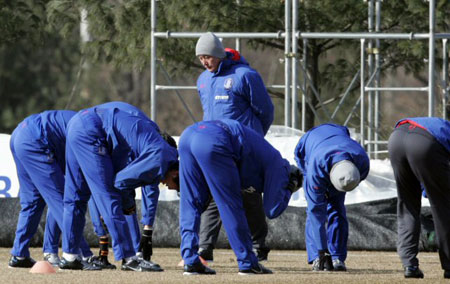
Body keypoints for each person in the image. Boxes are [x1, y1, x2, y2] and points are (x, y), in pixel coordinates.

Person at [60, 102, 179, 272]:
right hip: (92, 130)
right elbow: (119, 183)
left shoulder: (155, 142)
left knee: (75, 196)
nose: (167, 186)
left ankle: (70, 257)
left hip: (77, 123)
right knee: (109, 196)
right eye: (173, 186)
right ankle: (129, 258)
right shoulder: (162, 157)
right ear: (175, 174)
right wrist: (128, 204)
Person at [177, 119, 302, 275]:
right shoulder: (281, 168)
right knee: (230, 205)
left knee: (190, 203)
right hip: (215, 139)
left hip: (188, 134)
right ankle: (247, 262)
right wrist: (290, 188)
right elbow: (272, 209)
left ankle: (190, 260)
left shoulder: (269, 161)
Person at [195, 32, 274, 262]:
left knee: (249, 194)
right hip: (216, 149)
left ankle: (258, 244)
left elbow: (266, 111)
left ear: (218, 54)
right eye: (201, 58)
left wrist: (254, 138)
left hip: (244, 148)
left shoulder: (245, 76)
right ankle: (204, 247)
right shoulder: (203, 79)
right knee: (213, 195)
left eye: (208, 56)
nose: (205, 62)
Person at [8, 111, 97, 270]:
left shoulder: (87, 123)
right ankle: (83, 255)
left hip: (19, 134)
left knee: (33, 201)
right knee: (64, 201)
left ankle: (19, 255)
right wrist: (87, 253)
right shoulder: (90, 134)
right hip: (35, 139)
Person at [294, 123, 370, 272]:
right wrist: (323, 251)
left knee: (337, 208)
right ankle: (317, 256)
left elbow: (349, 180)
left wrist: (335, 191)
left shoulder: (362, 162)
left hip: (340, 138)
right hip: (309, 149)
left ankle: (337, 257)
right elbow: (316, 213)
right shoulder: (315, 168)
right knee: (315, 211)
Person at [388, 117, 450, 279]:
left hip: (397, 138)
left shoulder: (440, 124)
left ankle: (409, 265)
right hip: (424, 143)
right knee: (443, 206)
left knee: (407, 204)